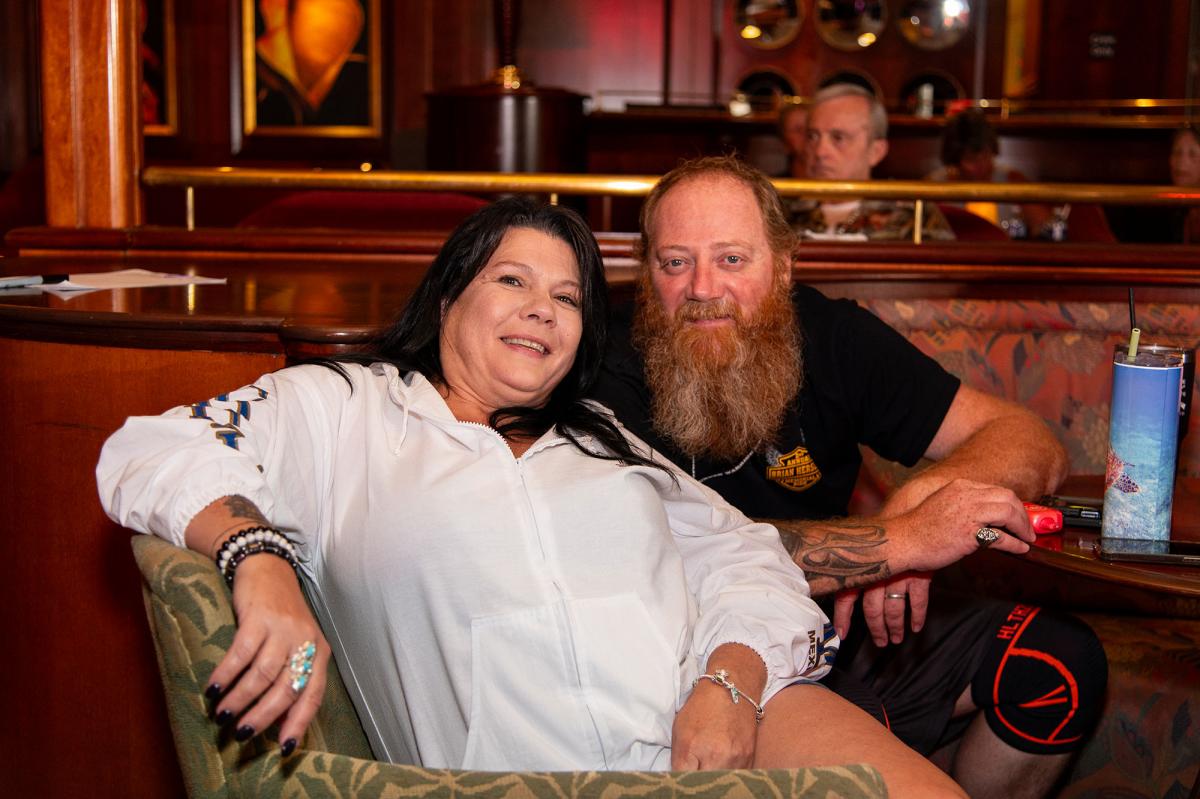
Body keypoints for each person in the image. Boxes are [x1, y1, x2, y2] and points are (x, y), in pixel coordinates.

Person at [96, 198, 964, 795]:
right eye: (512, 280)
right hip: (530, 777)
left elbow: (742, 554)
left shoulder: (599, 434)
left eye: (567, 297)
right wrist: (262, 562)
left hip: (716, 727)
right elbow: (154, 447)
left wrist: (727, 683)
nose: (543, 310)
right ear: (449, 295)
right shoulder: (346, 409)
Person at [593, 156, 1109, 799]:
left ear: (783, 266)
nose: (702, 288)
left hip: (831, 623)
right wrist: (900, 543)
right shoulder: (601, 362)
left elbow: (1029, 440)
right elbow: (674, 554)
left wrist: (925, 495)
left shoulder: (830, 336)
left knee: (1055, 664)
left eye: (732, 259)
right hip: (688, 653)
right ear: (647, 272)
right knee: (858, 745)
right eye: (675, 262)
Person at [790, 83, 955, 241]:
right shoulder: (782, 212)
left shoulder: (913, 213)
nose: (820, 152)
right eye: (812, 136)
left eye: (838, 138)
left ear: (876, 151)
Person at [927, 109, 1053, 239]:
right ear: (955, 160)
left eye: (986, 155)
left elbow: (1045, 223)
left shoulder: (1012, 181)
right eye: (971, 159)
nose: (982, 165)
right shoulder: (935, 188)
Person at [778, 100, 808, 178]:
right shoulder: (777, 183)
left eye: (810, 129)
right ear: (784, 143)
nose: (806, 134)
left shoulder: (834, 182)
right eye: (798, 130)